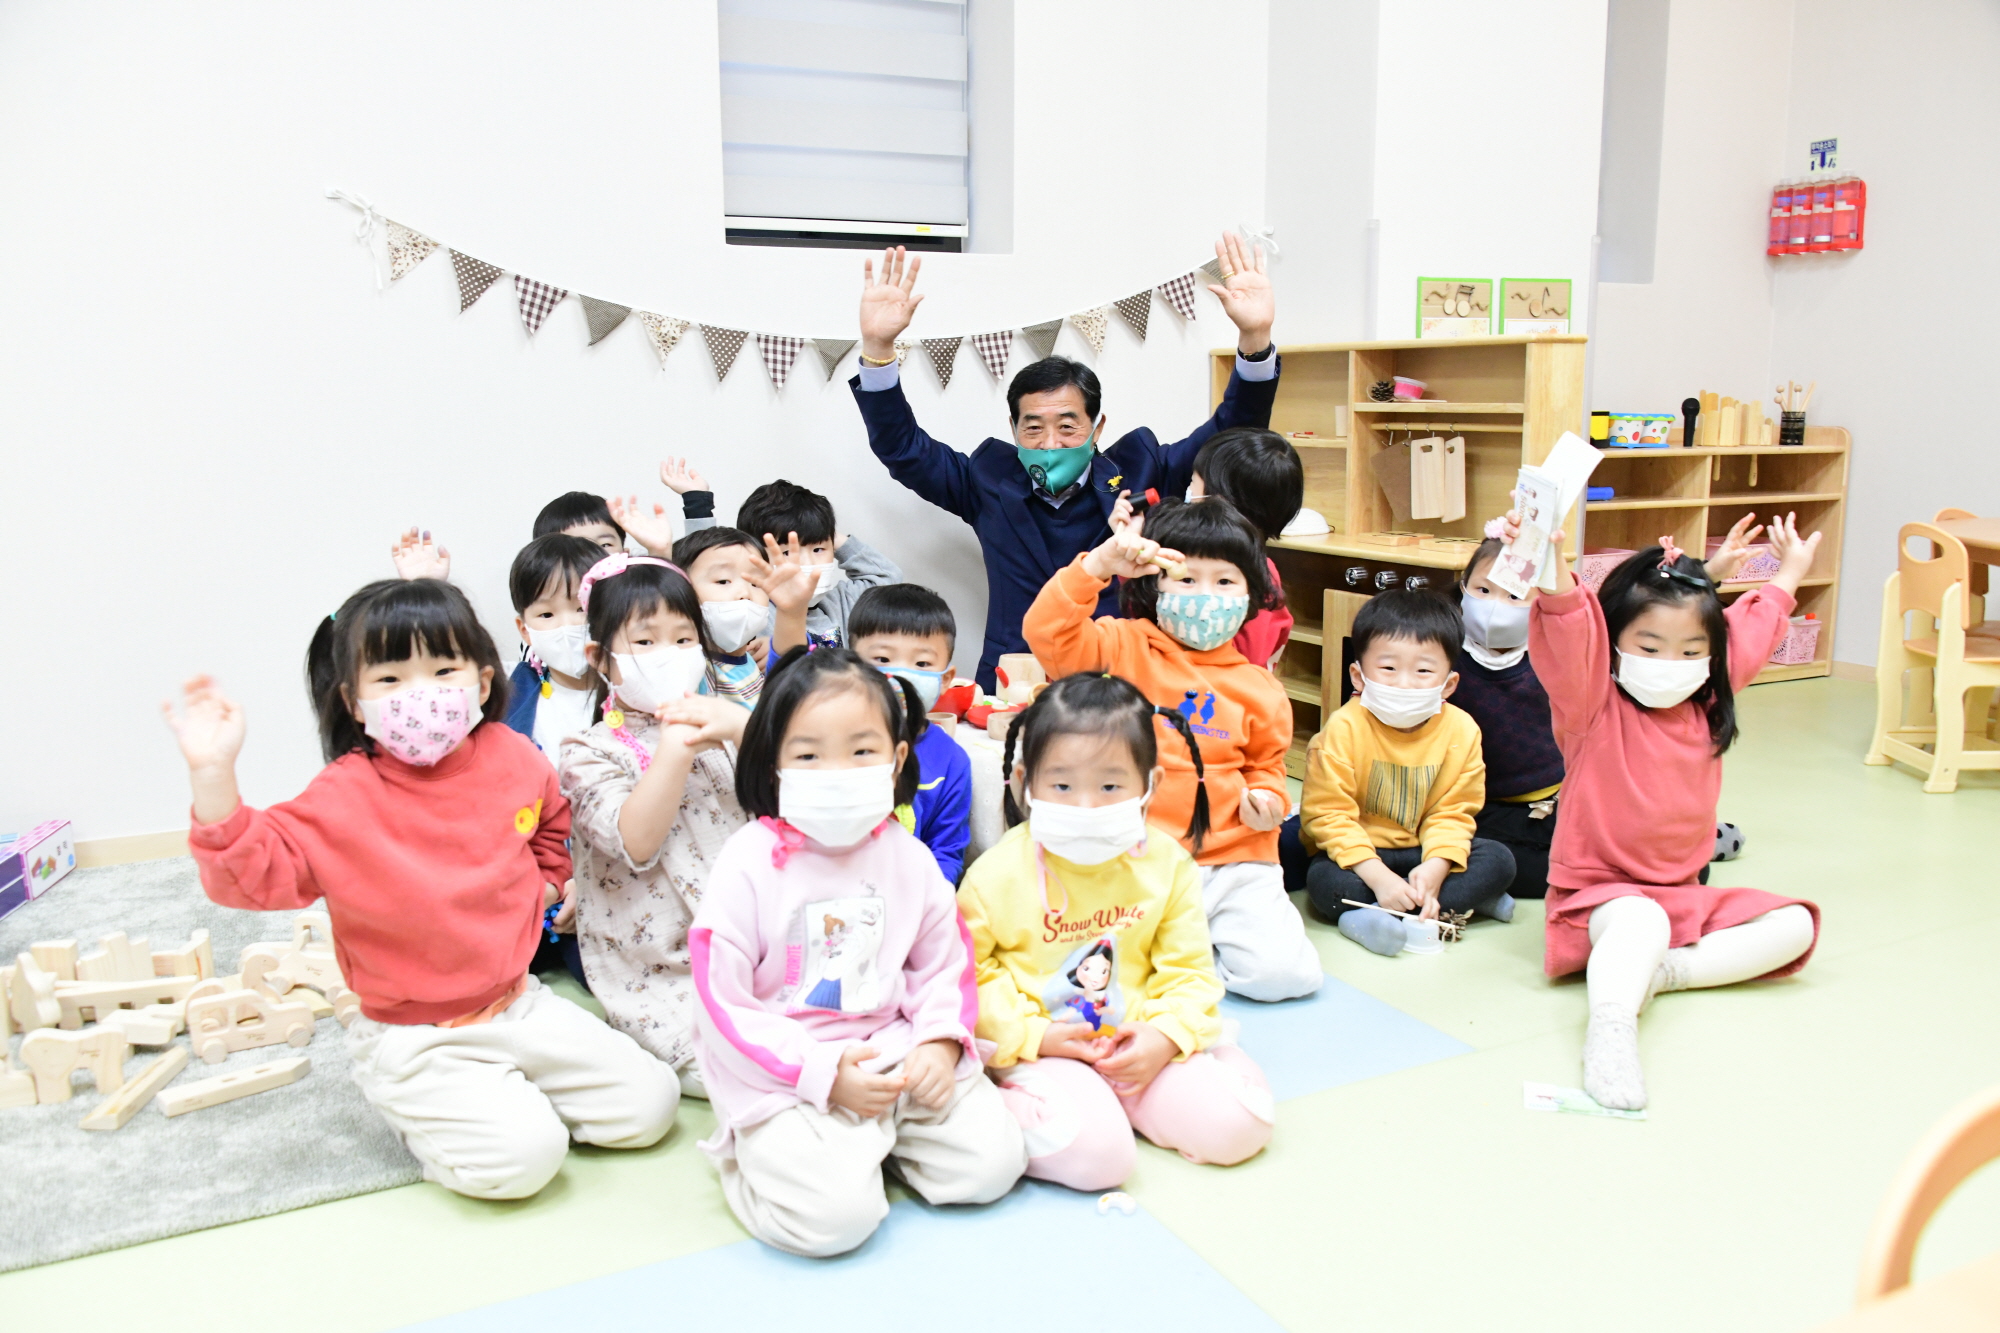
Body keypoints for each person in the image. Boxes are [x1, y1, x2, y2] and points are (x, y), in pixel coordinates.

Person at [164, 578, 677, 1200]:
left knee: (651, 1107)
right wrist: (213, 777)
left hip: (518, 1000)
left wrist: (547, 881)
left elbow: (549, 823)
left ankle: (499, 1095)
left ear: (482, 683)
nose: (422, 695)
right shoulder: (343, 795)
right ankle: (422, 1104)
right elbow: (251, 877)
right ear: (354, 702)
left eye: (443, 670)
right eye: (391, 680)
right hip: (416, 1034)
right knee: (524, 1162)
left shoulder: (512, 756)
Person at [689, 647, 1025, 1257]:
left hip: (894, 1051)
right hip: (787, 1069)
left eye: (861, 751)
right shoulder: (745, 861)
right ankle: (760, 1163)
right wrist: (820, 1074)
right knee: (836, 1223)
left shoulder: (908, 855)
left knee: (991, 1168)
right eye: (809, 755)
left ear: (897, 759)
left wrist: (939, 1041)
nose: (837, 771)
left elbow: (943, 964)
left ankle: (871, 1143)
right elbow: (724, 1005)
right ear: (774, 766)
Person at [849, 235, 1282, 688]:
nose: (1050, 443)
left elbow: (1232, 436)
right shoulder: (986, 481)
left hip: (1118, 677)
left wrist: (1255, 338)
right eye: (1033, 428)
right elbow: (903, 448)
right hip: (1012, 677)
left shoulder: (1143, 470)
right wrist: (878, 349)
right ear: (1013, 430)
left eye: (1068, 427)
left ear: (1097, 430)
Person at [1523, 512, 1823, 1111]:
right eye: (1649, 646)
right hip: (1598, 900)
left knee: (1796, 926)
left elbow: (1753, 629)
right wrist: (1553, 566)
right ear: (1615, 643)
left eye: (1691, 650)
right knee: (1642, 924)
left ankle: (1659, 975)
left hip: (1682, 896)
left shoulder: (1709, 698)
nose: (1670, 661)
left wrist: (1789, 571)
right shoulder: (1592, 701)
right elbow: (1568, 626)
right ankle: (1611, 1031)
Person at [959, 674, 1275, 1191]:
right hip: (1045, 1048)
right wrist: (1036, 1036)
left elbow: (1191, 970)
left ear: (1149, 785)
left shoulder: (1167, 864)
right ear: (1024, 781)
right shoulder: (995, 874)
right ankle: (1043, 1104)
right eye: (1061, 785)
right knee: (1100, 1161)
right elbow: (972, 975)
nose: (1087, 806)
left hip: (1141, 1043)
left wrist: (1164, 1036)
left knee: (1241, 1123)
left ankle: (1127, 1100)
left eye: (1110, 786)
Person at [1023, 499, 1321, 1001]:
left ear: (1250, 596)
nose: (1206, 595)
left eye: (1224, 582)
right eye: (1186, 578)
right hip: (1132, 858)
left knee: (1284, 978)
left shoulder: (1260, 686)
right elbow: (1046, 633)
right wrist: (1098, 565)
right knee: (1090, 980)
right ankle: (1179, 951)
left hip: (1235, 861)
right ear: (1154, 584)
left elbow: (1267, 767)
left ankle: (1185, 951)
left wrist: (1269, 801)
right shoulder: (1121, 645)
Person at [558, 553, 756, 1097]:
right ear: (601, 657)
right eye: (644, 642)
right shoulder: (587, 751)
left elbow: (790, 815)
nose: (667, 655)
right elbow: (636, 842)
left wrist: (746, 732)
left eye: (683, 638)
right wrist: (675, 744)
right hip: (663, 969)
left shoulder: (728, 721)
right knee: (744, 1069)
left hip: (753, 943)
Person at [1297, 589, 1517, 956]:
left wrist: (1436, 867)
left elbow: (1454, 813)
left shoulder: (1463, 731)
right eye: (1388, 668)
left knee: (1498, 860)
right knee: (1324, 882)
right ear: (1359, 675)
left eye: (1423, 671)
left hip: (1423, 851)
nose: (1404, 683)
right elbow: (1327, 815)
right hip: (1362, 856)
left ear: (1448, 684)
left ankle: (1391, 911)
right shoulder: (1342, 729)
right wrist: (1377, 875)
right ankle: (1446, 908)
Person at [848, 583, 973, 883]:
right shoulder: (834, 744)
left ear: (946, 679)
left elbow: (946, 851)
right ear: (851, 664)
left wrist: (929, 903)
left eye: (921, 663)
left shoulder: (951, 761)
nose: (901, 674)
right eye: (882, 659)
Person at [735, 480, 901, 648]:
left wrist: (825, 532)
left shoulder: (840, 603)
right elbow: (709, 577)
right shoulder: (754, 610)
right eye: (787, 552)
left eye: (818, 550)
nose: (808, 564)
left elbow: (887, 577)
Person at [1188, 427, 1305, 666]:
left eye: (1193, 483)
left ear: (1218, 500)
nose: (1189, 493)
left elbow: (1250, 655)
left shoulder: (1258, 573)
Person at [672, 526, 814, 709]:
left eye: (755, 583)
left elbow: (789, 665)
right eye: (723, 581)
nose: (744, 593)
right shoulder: (691, 667)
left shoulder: (754, 664)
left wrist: (793, 611)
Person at [502, 533, 609, 759]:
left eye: (581, 609)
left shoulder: (634, 688)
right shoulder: (513, 693)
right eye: (546, 614)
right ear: (525, 630)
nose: (567, 625)